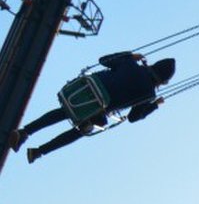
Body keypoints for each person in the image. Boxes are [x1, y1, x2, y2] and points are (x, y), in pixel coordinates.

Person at [11, 52, 177, 163]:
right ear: (162, 81)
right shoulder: (149, 94)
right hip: (98, 107)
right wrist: (154, 105)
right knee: (85, 128)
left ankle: (24, 132)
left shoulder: (129, 63)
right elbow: (133, 118)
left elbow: (103, 60)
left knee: (63, 112)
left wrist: (129, 55)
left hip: (87, 90)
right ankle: (39, 152)